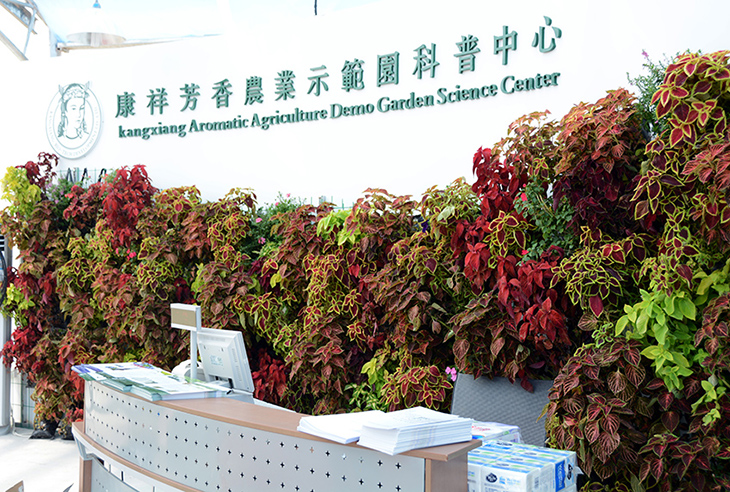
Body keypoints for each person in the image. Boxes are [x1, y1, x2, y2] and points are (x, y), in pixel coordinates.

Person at [56, 83, 89, 148]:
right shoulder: (59, 140)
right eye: (73, 108)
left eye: (81, 108)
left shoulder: (87, 137)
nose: (78, 114)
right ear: (65, 111)